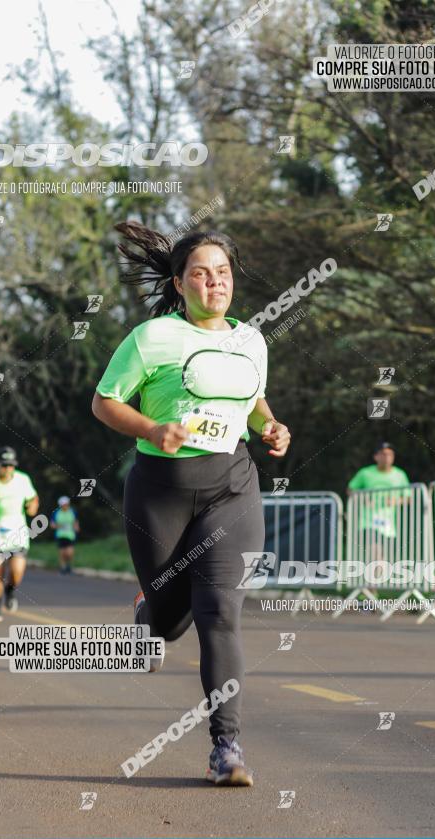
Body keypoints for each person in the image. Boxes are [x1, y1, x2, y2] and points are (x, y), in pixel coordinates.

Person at [92, 223, 290, 786]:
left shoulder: (251, 340)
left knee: (220, 611)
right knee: (169, 617)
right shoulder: (151, 338)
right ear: (179, 283)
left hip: (232, 485)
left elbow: (251, 398)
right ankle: (147, 617)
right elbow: (104, 402)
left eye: (223, 273)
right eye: (201, 274)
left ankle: (226, 747)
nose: (214, 283)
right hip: (161, 492)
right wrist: (154, 428)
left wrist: (271, 427)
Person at [0, 447, 39, 621]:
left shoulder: (22, 479)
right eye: (4, 465)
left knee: (17, 572)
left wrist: (33, 507)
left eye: (11, 465)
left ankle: (10, 592)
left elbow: (33, 498)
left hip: (17, 534)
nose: (8, 469)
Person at [347, 441, 410, 561]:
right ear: (376, 456)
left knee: (384, 558)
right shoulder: (365, 473)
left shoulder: (400, 475)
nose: (386, 457)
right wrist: (362, 499)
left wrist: (396, 501)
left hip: (389, 524)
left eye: (390, 454)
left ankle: (377, 577)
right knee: (375, 553)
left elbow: (408, 498)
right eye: (383, 454)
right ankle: (375, 579)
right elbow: (350, 490)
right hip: (368, 521)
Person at [50, 496, 79, 573]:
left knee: (69, 553)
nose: (65, 506)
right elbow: (52, 524)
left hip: (70, 535)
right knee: (62, 553)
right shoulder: (56, 513)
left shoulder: (72, 511)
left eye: (66, 504)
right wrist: (58, 526)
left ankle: (68, 565)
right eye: (63, 504)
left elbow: (75, 521)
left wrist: (76, 527)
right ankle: (63, 567)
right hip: (60, 535)